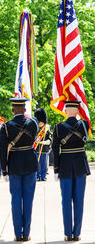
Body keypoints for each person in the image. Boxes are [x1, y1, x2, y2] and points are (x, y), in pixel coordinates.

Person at [0, 98, 39, 242]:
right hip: (30, 162)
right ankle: (26, 233)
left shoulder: (6, 126)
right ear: (25, 110)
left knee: (16, 199)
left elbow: (3, 151)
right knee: (28, 199)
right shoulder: (33, 123)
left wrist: (4, 170)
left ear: (13, 110)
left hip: (15, 164)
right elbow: (35, 134)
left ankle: (17, 233)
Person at [52, 100, 90, 242]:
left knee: (66, 201)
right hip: (80, 165)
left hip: (65, 166)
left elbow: (55, 150)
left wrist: (56, 169)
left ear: (66, 111)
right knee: (79, 200)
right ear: (77, 111)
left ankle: (68, 233)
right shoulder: (85, 125)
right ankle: (77, 233)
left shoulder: (58, 128)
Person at [34, 108, 52, 181]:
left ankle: (43, 176)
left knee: (43, 163)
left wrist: (46, 142)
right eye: (39, 121)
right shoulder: (35, 128)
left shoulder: (47, 128)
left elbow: (50, 138)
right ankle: (37, 175)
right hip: (36, 148)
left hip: (44, 149)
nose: (40, 123)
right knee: (36, 163)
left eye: (42, 121)